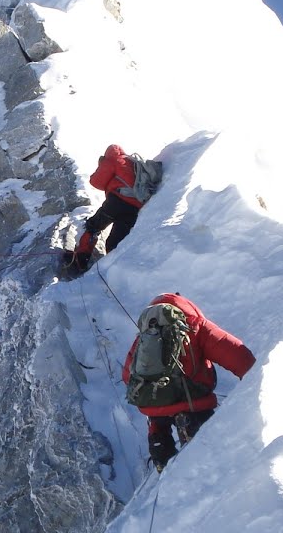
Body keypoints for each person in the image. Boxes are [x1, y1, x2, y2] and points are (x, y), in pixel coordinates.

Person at [122, 292, 254, 472]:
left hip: (155, 408)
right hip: (194, 405)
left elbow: (127, 376)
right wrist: (257, 378)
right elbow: (237, 356)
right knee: (207, 462)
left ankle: (159, 444)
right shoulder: (195, 325)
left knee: (159, 420)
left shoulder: (144, 337)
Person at [70, 144, 158, 272]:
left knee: (94, 226)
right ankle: (113, 270)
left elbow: (96, 182)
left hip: (116, 201)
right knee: (116, 240)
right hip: (135, 207)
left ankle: (80, 259)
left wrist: (102, 164)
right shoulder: (134, 164)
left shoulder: (113, 159)